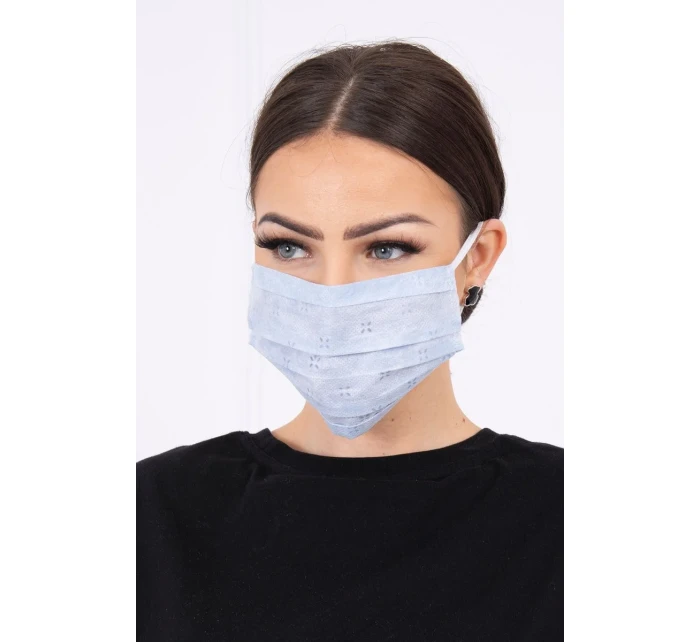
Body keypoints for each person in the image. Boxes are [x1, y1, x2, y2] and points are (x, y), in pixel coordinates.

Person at [137, 40, 563, 641]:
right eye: (289, 246)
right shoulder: (150, 515)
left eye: (386, 248)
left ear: (478, 257)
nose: (333, 291)